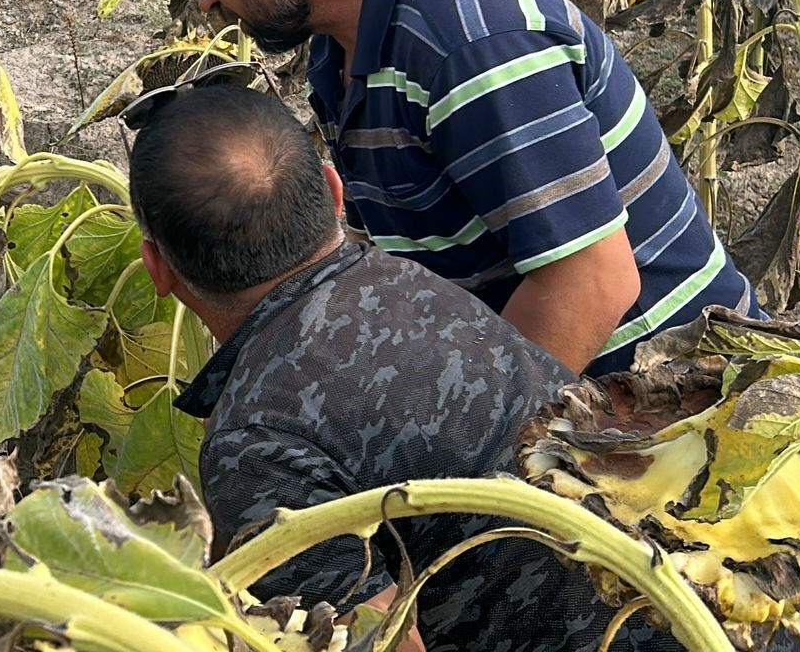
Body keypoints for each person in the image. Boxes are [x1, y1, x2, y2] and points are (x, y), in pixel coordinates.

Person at [160, 0, 760, 375]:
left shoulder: (470, 47)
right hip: (530, 358)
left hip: (656, 384)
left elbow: (592, 284)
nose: (203, 0)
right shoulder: (343, 39)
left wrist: (460, 438)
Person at [124, 82, 676, 652]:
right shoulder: (410, 282)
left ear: (157, 269)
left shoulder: (254, 445)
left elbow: (381, 641)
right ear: (334, 192)